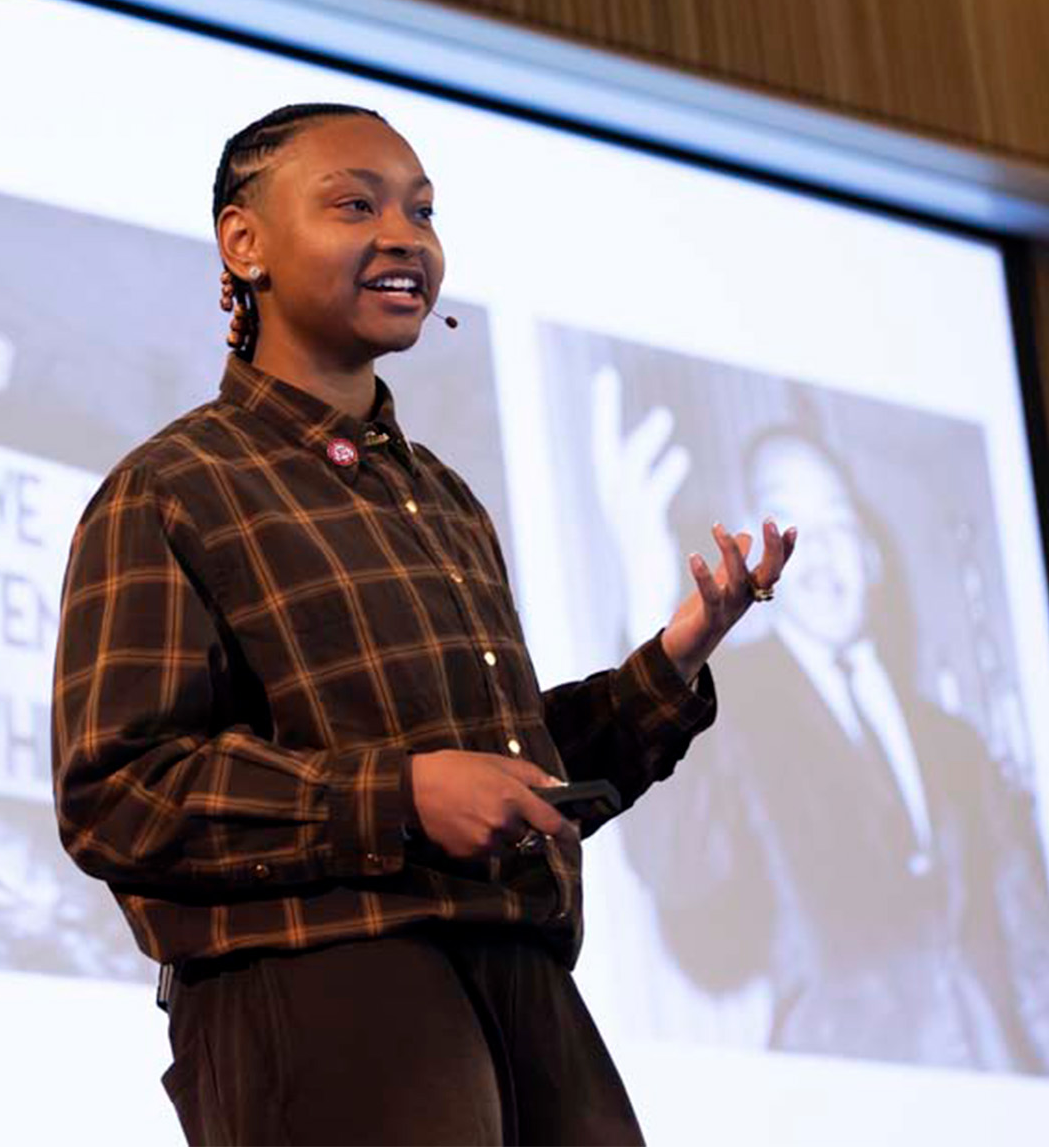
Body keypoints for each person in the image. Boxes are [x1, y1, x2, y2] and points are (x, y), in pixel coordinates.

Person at [50, 101, 798, 1145]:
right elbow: (116, 795)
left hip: (520, 977)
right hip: (319, 984)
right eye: (354, 205)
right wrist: (395, 796)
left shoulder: (440, 499)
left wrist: (668, 666)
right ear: (244, 242)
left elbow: (508, 780)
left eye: (422, 211)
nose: (403, 236)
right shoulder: (172, 489)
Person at [607, 416, 1049, 1071]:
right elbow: (679, 859)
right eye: (784, 524)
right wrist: (648, 601)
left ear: (871, 555)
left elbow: (1031, 948)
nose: (819, 548)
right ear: (749, 564)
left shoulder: (958, 745)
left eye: (839, 523)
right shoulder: (726, 704)